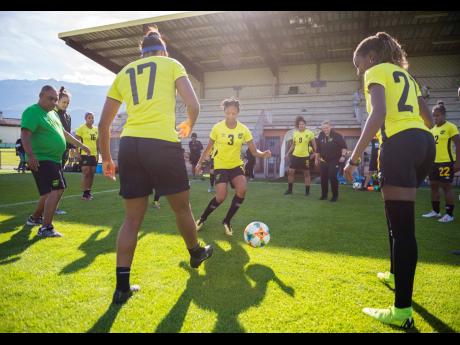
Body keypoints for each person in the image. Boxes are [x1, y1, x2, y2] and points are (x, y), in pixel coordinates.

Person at [98, 26, 213, 304]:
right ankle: (195, 251)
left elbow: (104, 124)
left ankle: (121, 288)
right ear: (163, 50)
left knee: (131, 220)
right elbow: (193, 105)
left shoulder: (124, 73)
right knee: (182, 208)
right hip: (161, 143)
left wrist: (107, 159)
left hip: (129, 146)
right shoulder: (171, 64)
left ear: (141, 52)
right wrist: (188, 123)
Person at [344, 32, 435, 329]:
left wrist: (354, 157)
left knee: (403, 229)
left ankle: (401, 310)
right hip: (424, 144)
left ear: (370, 57)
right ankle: (397, 273)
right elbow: (429, 119)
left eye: (359, 66)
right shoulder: (407, 77)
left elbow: (379, 113)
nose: (360, 72)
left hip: (401, 144)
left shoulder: (375, 71)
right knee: (395, 218)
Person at [194, 97, 271, 236]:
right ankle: (202, 219)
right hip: (221, 166)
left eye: (233, 113)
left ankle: (227, 221)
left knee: (242, 190)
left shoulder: (244, 129)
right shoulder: (217, 128)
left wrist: (263, 154)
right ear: (224, 112)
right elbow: (208, 149)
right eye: (228, 113)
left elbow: (254, 151)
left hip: (236, 165)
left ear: (238, 113)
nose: (230, 116)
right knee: (221, 197)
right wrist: (200, 163)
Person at [21, 85, 90, 237]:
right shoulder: (32, 111)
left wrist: (81, 145)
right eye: (50, 98)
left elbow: (64, 133)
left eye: (55, 99)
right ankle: (46, 227)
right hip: (42, 159)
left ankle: (35, 219)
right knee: (57, 189)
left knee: (47, 193)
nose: (53, 102)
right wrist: (30, 155)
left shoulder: (53, 113)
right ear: (41, 96)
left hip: (54, 159)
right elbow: (25, 133)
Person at [422, 101, 459, 223]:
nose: (435, 118)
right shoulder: (432, 130)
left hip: (446, 162)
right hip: (433, 163)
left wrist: (458, 162)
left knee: (446, 187)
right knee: (433, 187)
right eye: (434, 116)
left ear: (443, 115)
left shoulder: (451, 127)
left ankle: (449, 214)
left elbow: (458, 145)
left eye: (437, 115)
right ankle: (436, 211)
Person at [315, 120, 347, 202]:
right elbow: (318, 149)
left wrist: (343, 156)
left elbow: (344, 147)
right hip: (323, 160)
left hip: (334, 160)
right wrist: (316, 158)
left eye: (326, 127)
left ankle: (335, 196)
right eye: (323, 128)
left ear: (330, 127)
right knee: (323, 178)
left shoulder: (337, 136)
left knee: (332, 176)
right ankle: (324, 195)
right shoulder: (321, 135)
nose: (325, 129)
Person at [284, 116, 316, 196]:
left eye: (302, 124)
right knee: (290, 172)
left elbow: (314, 145)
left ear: (305, 125)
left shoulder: (310, 133)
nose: (301, 125)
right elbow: (293, 146)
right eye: (300, 124)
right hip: (295, 156)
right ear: (298, 125)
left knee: (306, 174)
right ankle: (290, 190)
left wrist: (315, 153)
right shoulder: (295, 134)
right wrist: (287, 154)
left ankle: (307, 192)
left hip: (305, 157)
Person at [54, 86, 73, 214]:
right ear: (57, 101)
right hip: (54, 152)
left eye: (67, 103)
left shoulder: (68, 116)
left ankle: (54, 207)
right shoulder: (53, 115)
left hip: (64, 153)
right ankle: (51, 208)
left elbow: (69, 134)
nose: (65, 105)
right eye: (63, 102)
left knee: (61, 183)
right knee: (57, 183)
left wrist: (71, 151)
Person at [75, 112, 99, 200]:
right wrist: (77, 153)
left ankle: (88, 192)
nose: (91, 119)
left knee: (92, 173)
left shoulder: (96, 129)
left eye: (92, 118)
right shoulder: (81, 129)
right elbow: (76, 142)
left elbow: (97, 143)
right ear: (85, 119)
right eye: (89, 118)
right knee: (86, 172)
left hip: (94, 154)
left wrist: (98, 153)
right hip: (84, 154)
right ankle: (84, 193)